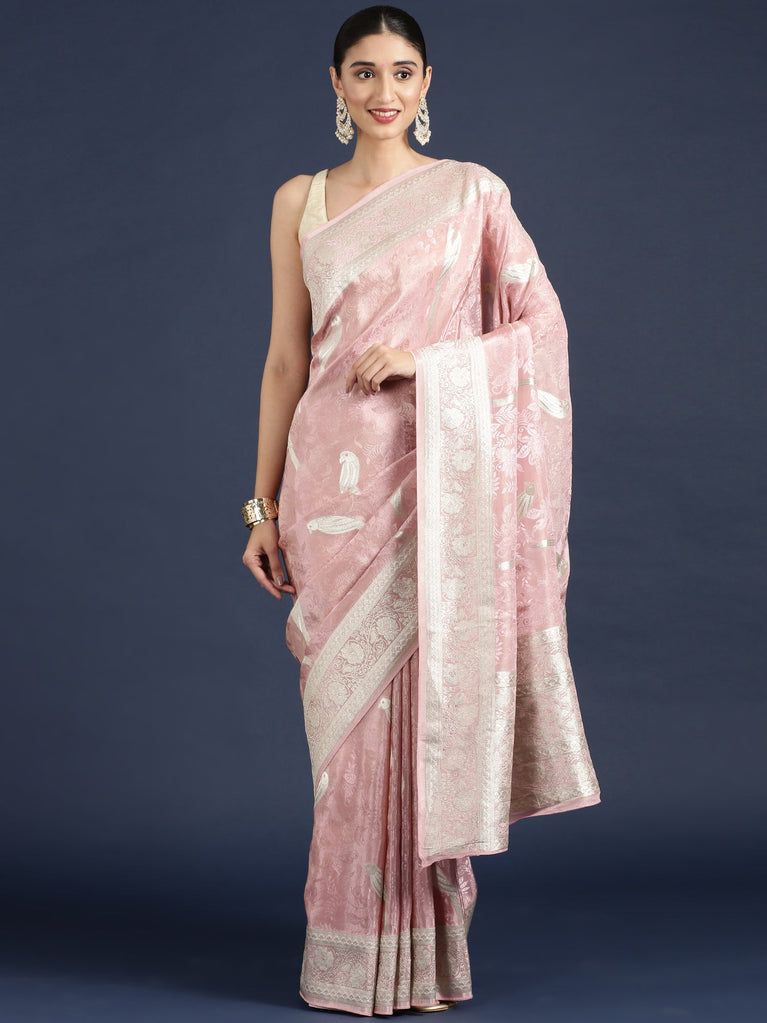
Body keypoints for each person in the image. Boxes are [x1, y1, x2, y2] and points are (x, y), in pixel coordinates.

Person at [242, 5, 601, 1015]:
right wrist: (260, 506)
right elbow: (284, 360)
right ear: (335, 84)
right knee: (345, 736)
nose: (383, 92)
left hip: (435, 486)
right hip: (329, 493)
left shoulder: (470, 194)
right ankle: (348, 959)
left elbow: (540, 327)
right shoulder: (299, 201)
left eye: (402, 72)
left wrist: (429, 360)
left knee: (427, 714)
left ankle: (424, 959)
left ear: (427, 82)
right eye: (363, 72)